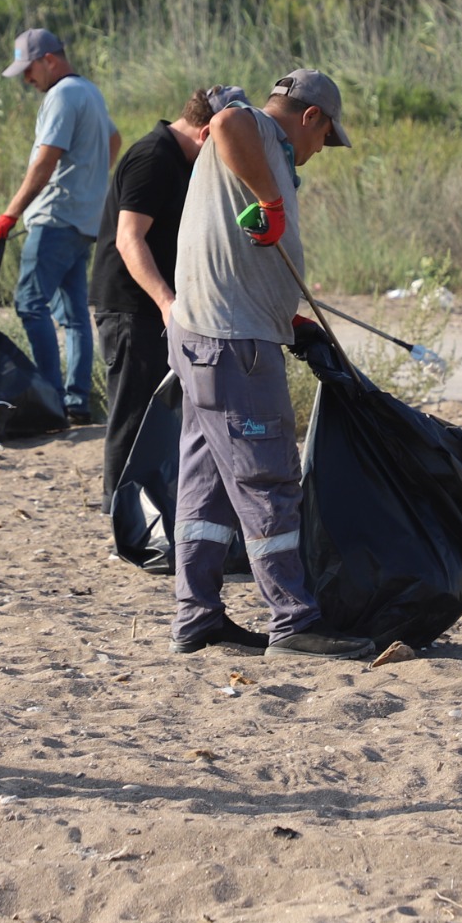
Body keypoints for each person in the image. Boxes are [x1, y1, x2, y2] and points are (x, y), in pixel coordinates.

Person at [168, 69, 373, 660]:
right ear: (310, 116)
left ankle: (197, 617)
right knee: (269, 481)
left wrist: (288, 317)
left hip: (210, 334)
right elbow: (227, 120)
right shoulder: (255, 127)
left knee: (206, 488)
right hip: (232, 344)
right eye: (325, 137)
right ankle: (293, 619)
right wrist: (272, 201)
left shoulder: (262, 152)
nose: (320, 150)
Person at [90, 85, 247, 501]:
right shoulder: (153, 158)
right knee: (133, 416)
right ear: (208, 133)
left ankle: (153, 509)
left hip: (159, 307)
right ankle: (120, 512)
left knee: (160, 418)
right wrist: (166, 301)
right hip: (132, 308)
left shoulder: (181, 161)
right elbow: (129, 238)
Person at [0, 28, 117, 424]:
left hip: (56, 217)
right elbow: (114, 139)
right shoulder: (89, 91)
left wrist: (10, 214)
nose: (27, 79)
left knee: (30, 303)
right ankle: (77, 402)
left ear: (49, 60)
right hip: (83, 220)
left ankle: (50, 397)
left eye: (29, 70)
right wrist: (90, 183)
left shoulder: (61, 95)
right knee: (75, 314)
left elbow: (45, 161)